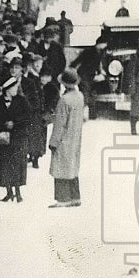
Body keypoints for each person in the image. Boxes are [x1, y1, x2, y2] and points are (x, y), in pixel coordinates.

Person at [0, 76, 32, 202]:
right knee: (4, 165)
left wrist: (15, 123)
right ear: (7, 89)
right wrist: (2, 124)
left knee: (17, 164)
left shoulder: (22, 101)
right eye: (14, 87)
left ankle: (18, 191)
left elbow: (28, 117)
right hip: (2, 140)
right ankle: (8, 191)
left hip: (18, 138)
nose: (16, 89)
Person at [48, 69, 86, 208]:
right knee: (73, 167)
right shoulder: (79, 96)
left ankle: (63, 199)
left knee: (61, 168)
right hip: (75, 138)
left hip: (64, 139)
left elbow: (60, 124)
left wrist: (53, 142)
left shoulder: (64, 100)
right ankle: (75, 197)